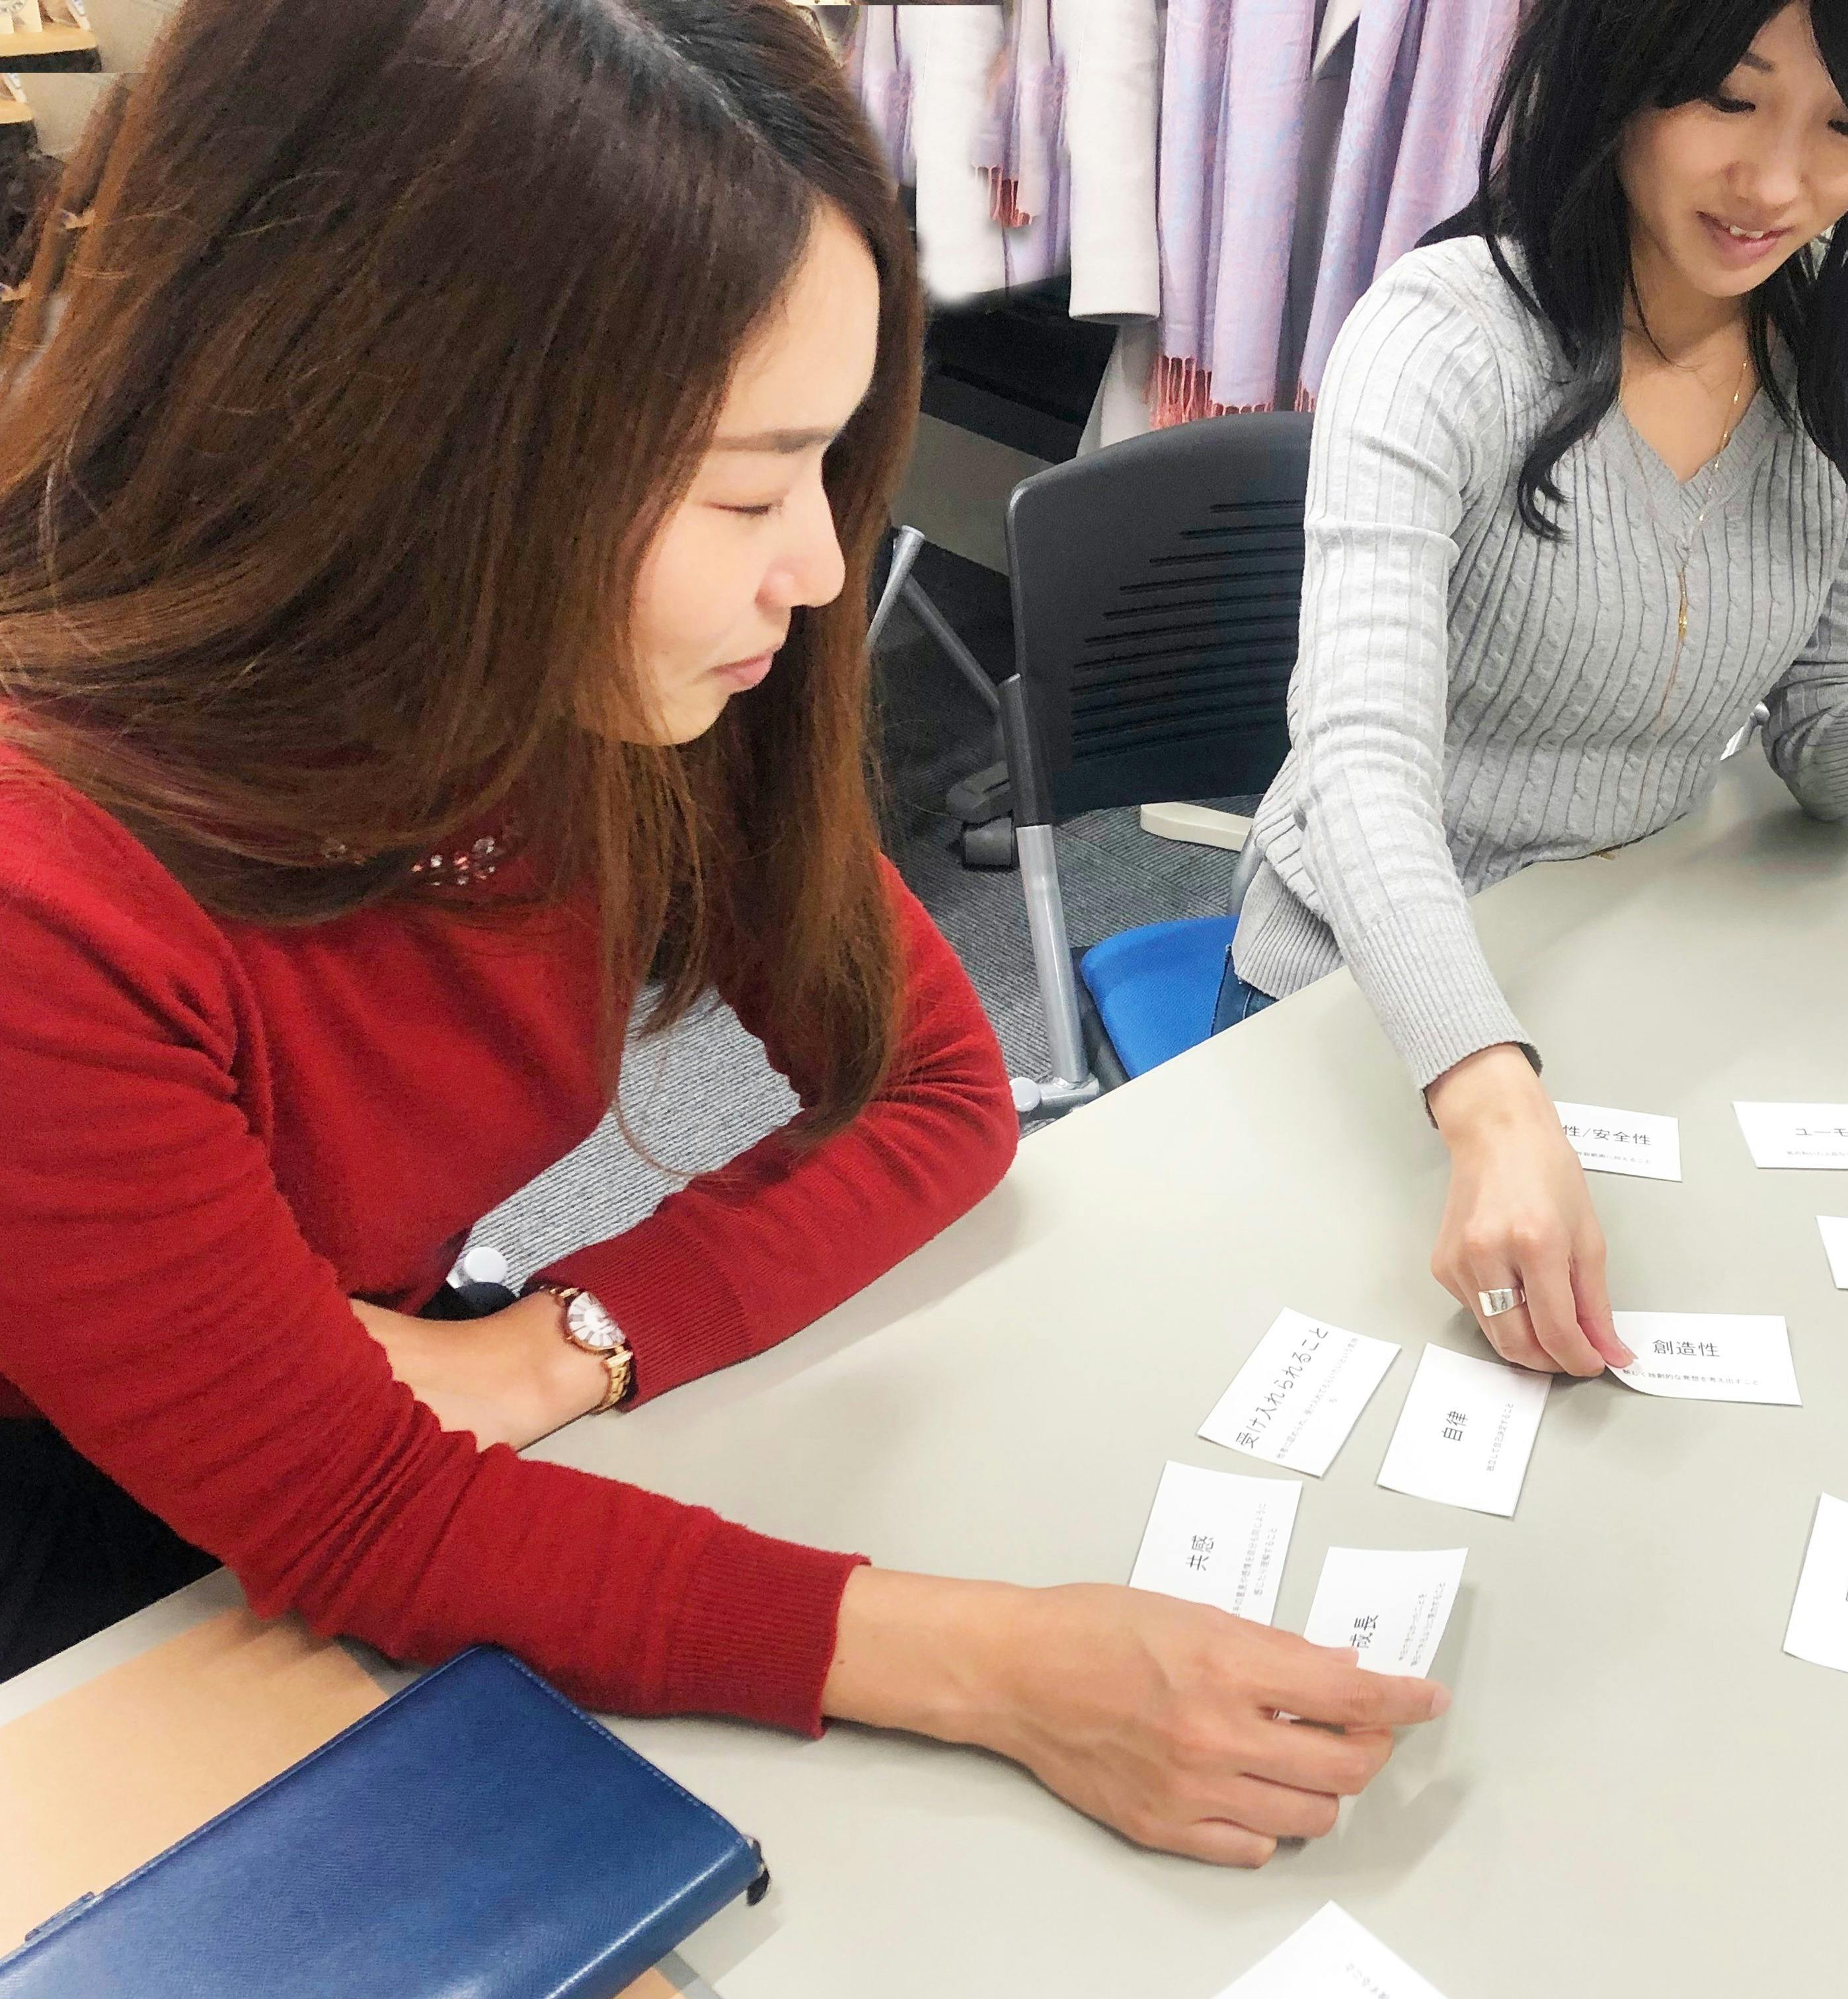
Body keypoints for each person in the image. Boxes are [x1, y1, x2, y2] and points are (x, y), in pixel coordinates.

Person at [0, 0, 1440, 1869]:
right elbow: (353, 1517)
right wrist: (1001, 1666)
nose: (824, 568)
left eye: (824, 467)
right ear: (406, 449)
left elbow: (938, 1089)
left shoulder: (603, 679)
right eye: (750, 486)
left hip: (389, 1396)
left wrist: (563, 1341)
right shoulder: (54, 883)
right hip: (86, 1552)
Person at [1222, 0, 1848, 1380]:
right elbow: (1358, 759)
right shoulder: (1443, 339)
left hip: (1621, 957)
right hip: (1365, 985)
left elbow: (1822, 751)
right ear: (1618, 70)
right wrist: (1488, 1099)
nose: (1776, 183)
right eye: (1727, 97)